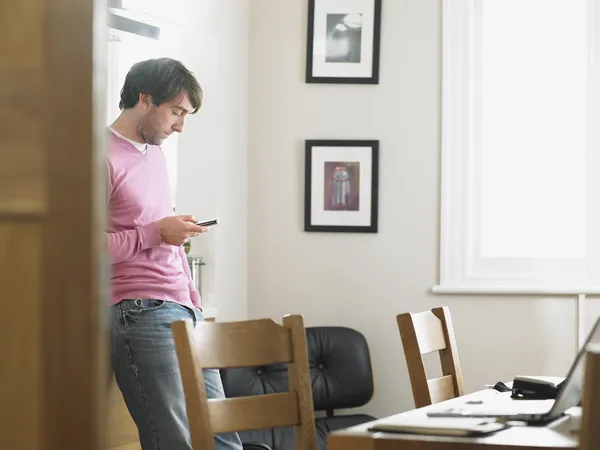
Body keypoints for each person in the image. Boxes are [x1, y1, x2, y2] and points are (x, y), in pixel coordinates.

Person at [106, 57, 243, 450]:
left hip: (183, 307)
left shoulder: (154, 154)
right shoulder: (97, 156)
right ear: (145, 99)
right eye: (176, 111)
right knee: (178, 443)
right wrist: (154, 232)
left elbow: (161, 232)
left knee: (223, 440)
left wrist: (193, 299)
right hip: (140, 310)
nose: (180, 125)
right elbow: (79, 248)